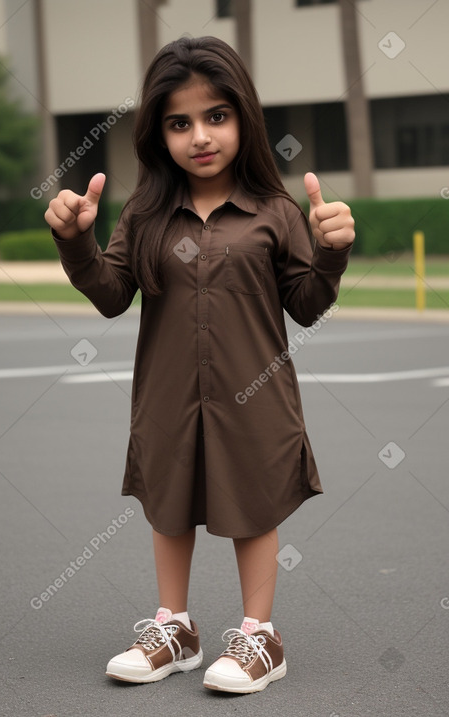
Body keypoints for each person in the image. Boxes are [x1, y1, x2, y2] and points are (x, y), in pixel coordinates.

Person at [45, 35, 355, 694]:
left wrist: (330, 252)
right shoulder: (148, 215)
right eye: (179, 122)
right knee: (169, 505)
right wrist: (76, 242)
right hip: (166, 396)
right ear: (159, 134)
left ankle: (258, 636)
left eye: (216, 115)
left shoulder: (275, 213)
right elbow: (109, 294)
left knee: (253, 504)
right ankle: (175, 627)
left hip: (257, 397)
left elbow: (306, 304)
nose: (200, 135)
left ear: (244, 116)